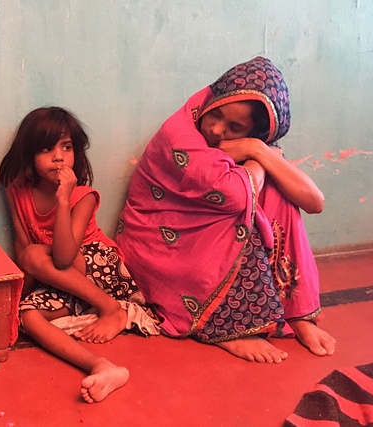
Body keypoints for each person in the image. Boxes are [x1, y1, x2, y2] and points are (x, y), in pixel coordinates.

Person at [116, 56, 336, 364]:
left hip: (201, 235)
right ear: (214, 99)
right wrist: (262, 156)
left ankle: (297, 313)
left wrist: (257, 151)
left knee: (280, 196)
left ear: (257, 132)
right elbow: (235, 196)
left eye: (235, 127)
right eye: (216, 115)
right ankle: (225, 329)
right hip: (158, 246)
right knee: (248, 201)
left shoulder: (252, 144)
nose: (217, 130)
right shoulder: (180, 136)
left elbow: (315, 202)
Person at [0, 107, 159, 403]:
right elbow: (21, 244)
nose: (58, 157)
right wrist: (21, 299)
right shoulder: (15, 187)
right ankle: (101, 366)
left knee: (35, 255)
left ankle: (111, 309)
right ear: (28, 155)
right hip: (60, 278)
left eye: (66, 147)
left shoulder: (82, 196)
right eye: (46, 149)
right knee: (28, 317)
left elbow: (62, 257)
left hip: (98, 267)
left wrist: (62, 199)